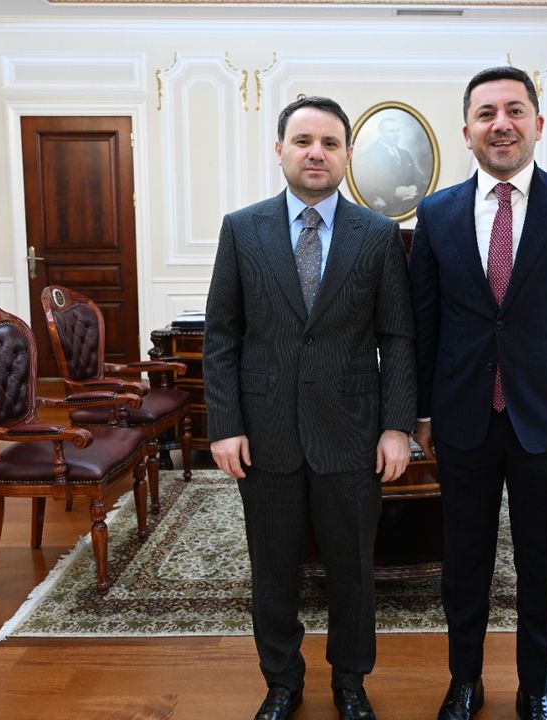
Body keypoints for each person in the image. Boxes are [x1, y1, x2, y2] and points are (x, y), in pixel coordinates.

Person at [408, 67, 547, 720]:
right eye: (485, 113)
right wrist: (422, 411)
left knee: (540, 564)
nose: (500, 123)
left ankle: (535, 688)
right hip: (462, 418)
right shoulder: (437, 213)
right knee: (463, 563)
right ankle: (464, 682)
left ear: (537, 123)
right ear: (467, 132)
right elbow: (424, 321)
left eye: (514, 110)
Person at [204, 95, 417, 720]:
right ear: (280, 151)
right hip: (264, 432)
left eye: (329, 143)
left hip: (351, 434)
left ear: (347, 154)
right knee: (272, 569)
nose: (315, 153)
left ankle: (351, 682)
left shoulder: (377, 236)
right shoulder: (241, 229)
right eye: (303, 141)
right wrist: (225, 426)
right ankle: (281, 682)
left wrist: (397, 426)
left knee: (353, 571)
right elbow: (222, 337)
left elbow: (397, 338)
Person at [353, 116, 424, 216]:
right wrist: (395, 192)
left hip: (409, 208)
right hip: (384, 211)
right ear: (381, 133)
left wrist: (414, 188)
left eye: (397, 130)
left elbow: (419, 178)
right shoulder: (370, 155)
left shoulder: (405, 154)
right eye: (391, 131)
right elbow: (365, 185)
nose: (396, 135)